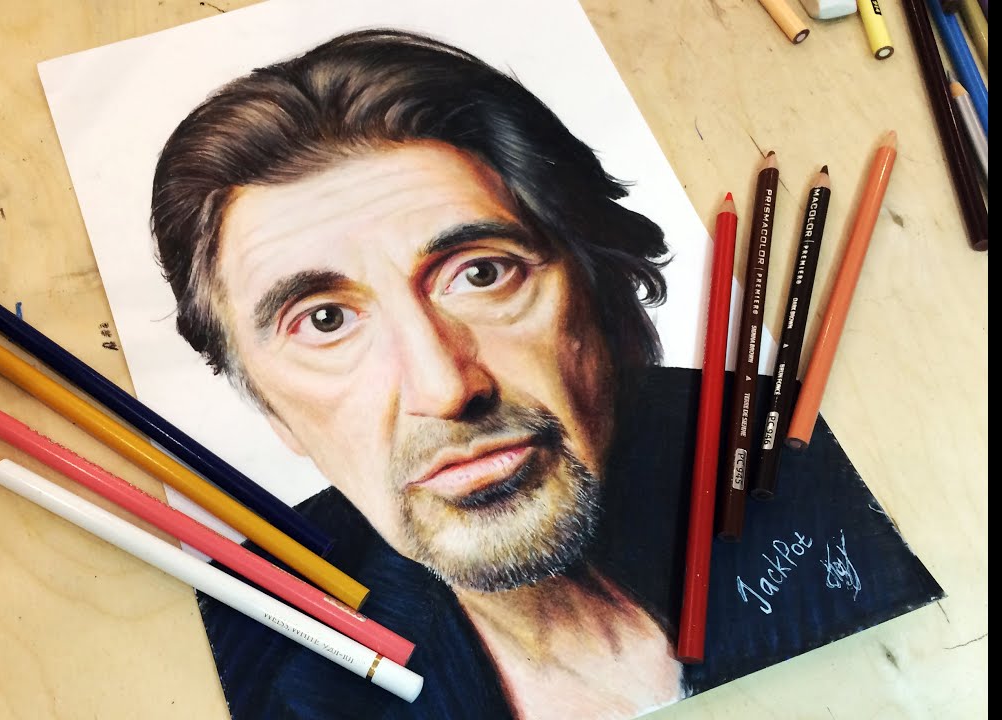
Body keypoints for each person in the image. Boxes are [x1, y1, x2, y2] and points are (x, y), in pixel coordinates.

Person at [150, 29, 942, 720]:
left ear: (602, 288)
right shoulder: (256, 655)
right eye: (325, 321)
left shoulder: (803, 462)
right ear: (270, 408)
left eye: (481, 273)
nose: (444, 388)